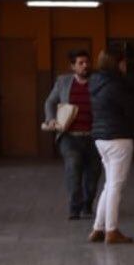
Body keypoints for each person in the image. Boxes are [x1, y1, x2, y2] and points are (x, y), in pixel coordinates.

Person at [87, 49, 134, 245]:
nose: (125, 66)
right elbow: (131, 109)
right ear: (116, 64)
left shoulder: (95, 83)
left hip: (100, 137)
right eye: (123, 63)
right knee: (116, 186)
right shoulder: (116, 85)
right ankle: (112, 230)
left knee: (109, 185)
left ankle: (98, 228)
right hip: (118, 136)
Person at [43, 47, 101, 220]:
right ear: (72, 66)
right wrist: (50, 118)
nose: (85, 66)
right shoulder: (63, 82)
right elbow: (50, 102)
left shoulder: (97, 82)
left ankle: (87, 205)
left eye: (87, 62)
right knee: (73, 167)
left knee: (93, 174)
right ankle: (74, 207)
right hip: (70, 136)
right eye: (80, 63)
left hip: (93, 136)